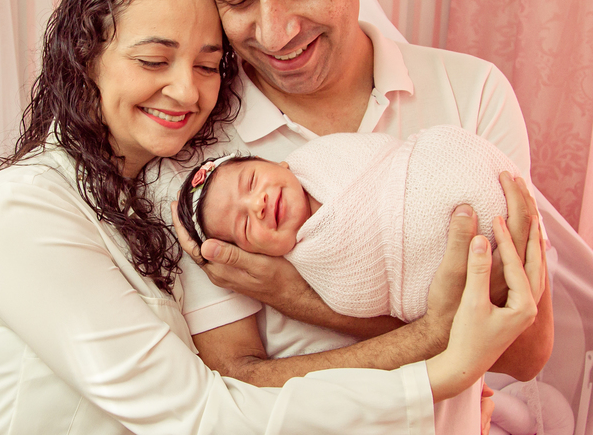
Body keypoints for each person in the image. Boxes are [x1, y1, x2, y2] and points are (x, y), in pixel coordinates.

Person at [0, 0, 544, 435]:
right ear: (84, 58)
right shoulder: (26, 213)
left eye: (207, 65)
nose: (186, 89)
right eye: (153, 58)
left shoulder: (168, 197)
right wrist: (440, 364)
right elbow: (199, 419)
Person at [164, 0, 556, 435]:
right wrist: (439, 333)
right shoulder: (201, 154)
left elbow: (523, 348)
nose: (275, 29)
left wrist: (300, 296)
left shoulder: (471, 95)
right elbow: (235, 386)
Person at [176, 124, 522, 323]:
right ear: (258, 255)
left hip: (456, 166)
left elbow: (389, 151)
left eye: (251, 181)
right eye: (245, 226)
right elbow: (360, 298)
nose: (258, 204)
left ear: (278, 163)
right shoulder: (318, 271)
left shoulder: (324, 155)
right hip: (450, 269)